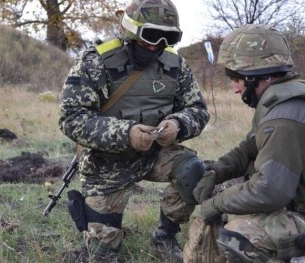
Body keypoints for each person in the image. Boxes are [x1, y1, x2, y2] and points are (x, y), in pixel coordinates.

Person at [58, 0, 210, 261]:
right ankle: (104, 231)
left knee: (192, 170)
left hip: (155, 155)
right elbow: (71, 117)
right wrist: (126, 133)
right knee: (102, 253)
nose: (156, 45)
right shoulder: (96, 62)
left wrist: (177, 125)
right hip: (106, 163)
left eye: (168, 37)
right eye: (150, 36)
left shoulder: (175, 65)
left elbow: (197, 109)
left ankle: (165, 235)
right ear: (131, 31)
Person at [183, 24, 305, 263]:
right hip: (303, 205)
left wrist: (216, 204)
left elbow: (270, 191)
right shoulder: (281, 99)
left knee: (242, 237)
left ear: (256, 76)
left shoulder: (285, 116)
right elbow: (250, 146)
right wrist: (217, 171)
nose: (234, 88)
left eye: (236, 78)